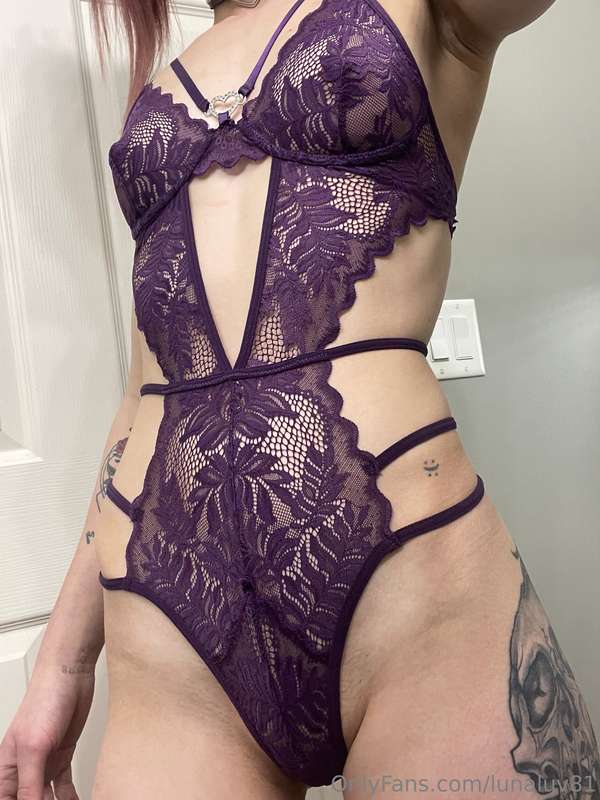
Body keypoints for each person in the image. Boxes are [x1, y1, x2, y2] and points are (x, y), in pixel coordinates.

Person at [1, 0, 598, 798]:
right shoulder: (163, 81)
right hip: (173, 632)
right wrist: (64, 663)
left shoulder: (422, 10)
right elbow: (146, 388)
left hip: (415, 595)